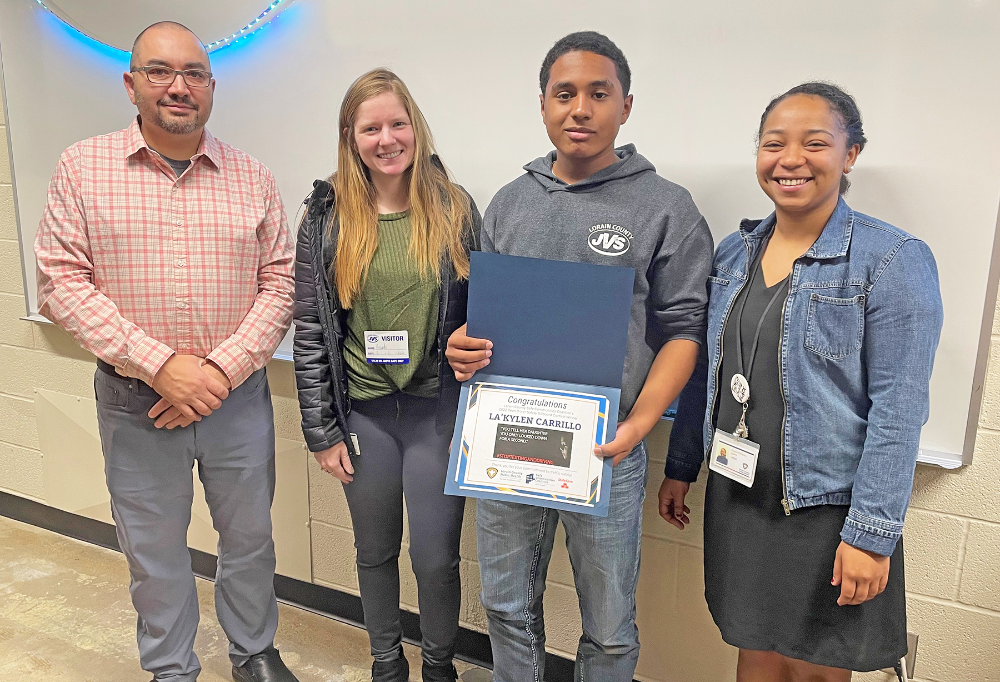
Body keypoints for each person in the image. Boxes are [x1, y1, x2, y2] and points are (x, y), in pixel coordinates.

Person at [34, 22, 298, 682]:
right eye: (159, 71)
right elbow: (62, 282)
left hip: (236, 400)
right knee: (153, 550)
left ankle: (254, 653)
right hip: (135, 401)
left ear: (211, 87)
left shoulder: (253, 177)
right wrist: (161, 366)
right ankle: (172, 669)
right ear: (131, 84)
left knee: (249, 541)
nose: (178, 87)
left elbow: (282, 280)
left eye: (194, 74)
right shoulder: (82, 167)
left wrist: (215, 372)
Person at [446, 31, 713, 682]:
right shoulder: (510, 202)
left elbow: (684, 332)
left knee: (611, 628)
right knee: (506, 607)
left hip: (608, 447)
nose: (581, 109)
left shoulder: (666, 207)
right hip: (507, 438)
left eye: (599, 93)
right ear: (542, 105)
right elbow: (486, 319)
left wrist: (640, 425)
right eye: (564, 94)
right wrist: (461, 348)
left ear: (626, 106)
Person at [661, 82, 943, 681]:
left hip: (824, 508)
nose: (790, 159)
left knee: (816, 667)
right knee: (754, 651)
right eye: (773, 144)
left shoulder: (890, 259)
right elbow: (704, 375)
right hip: (741, 496)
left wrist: (871, 535)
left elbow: (899, 408)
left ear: (851, 154)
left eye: (815, 143)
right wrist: (682, 466)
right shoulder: (734, 253)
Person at [293, 68, 480, 682]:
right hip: (364, 416)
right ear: (351, 139)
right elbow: (313, 328)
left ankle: (440, 666)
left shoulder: (455, 209)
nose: (386, 138)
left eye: (397, 123)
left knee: (434, 558)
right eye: (370, 127)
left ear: (416, 128)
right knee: (374, 553)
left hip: (435, 414)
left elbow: (485, 314)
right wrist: (321, 431)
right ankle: (385, 663)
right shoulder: (327, 218)